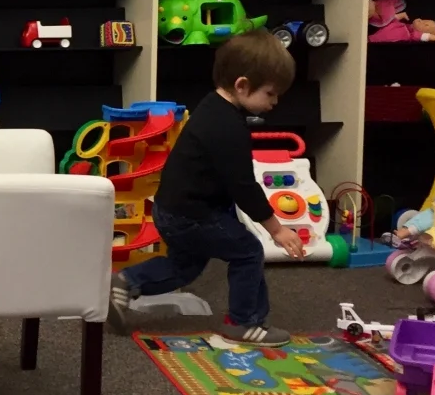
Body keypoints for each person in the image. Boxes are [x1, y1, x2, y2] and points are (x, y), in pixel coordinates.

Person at [111, 30, 303, 345]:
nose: (275, 102)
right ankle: (245, 322)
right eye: (270, 94)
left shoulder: (214, 106)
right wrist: (276, 228)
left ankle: (127, 281)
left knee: (183, 268)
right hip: (192, 215)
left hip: (173, 209)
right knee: (248, 252)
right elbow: (243, 186)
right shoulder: (227, 128)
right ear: (242, 85)